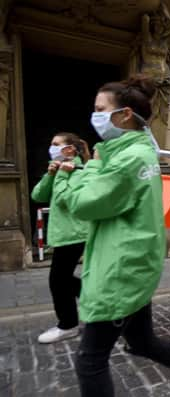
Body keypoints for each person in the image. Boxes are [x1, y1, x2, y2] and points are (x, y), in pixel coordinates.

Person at [55, 75, 170, 397]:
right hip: (131, 263)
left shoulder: (128, 159)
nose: (95, 116)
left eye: (100, 110)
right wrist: (99, 163)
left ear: (125, 115)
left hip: (119, 271)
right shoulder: (135, 152)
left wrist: (78, 170)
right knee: (142, 341)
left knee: (91, 360)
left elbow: (83, 203)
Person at [31, 132, 89, 343]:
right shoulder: (56, 172)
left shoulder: (80, 171)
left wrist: (63, 174)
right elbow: (37, 196)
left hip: (74, 233)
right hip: (63, 233)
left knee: (58, 281)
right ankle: (102, 302)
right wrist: (50, 175)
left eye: (56, 144)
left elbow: (66, 200)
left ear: (69, 150)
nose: (51, 147)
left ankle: (68, 325)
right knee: (62, 280)